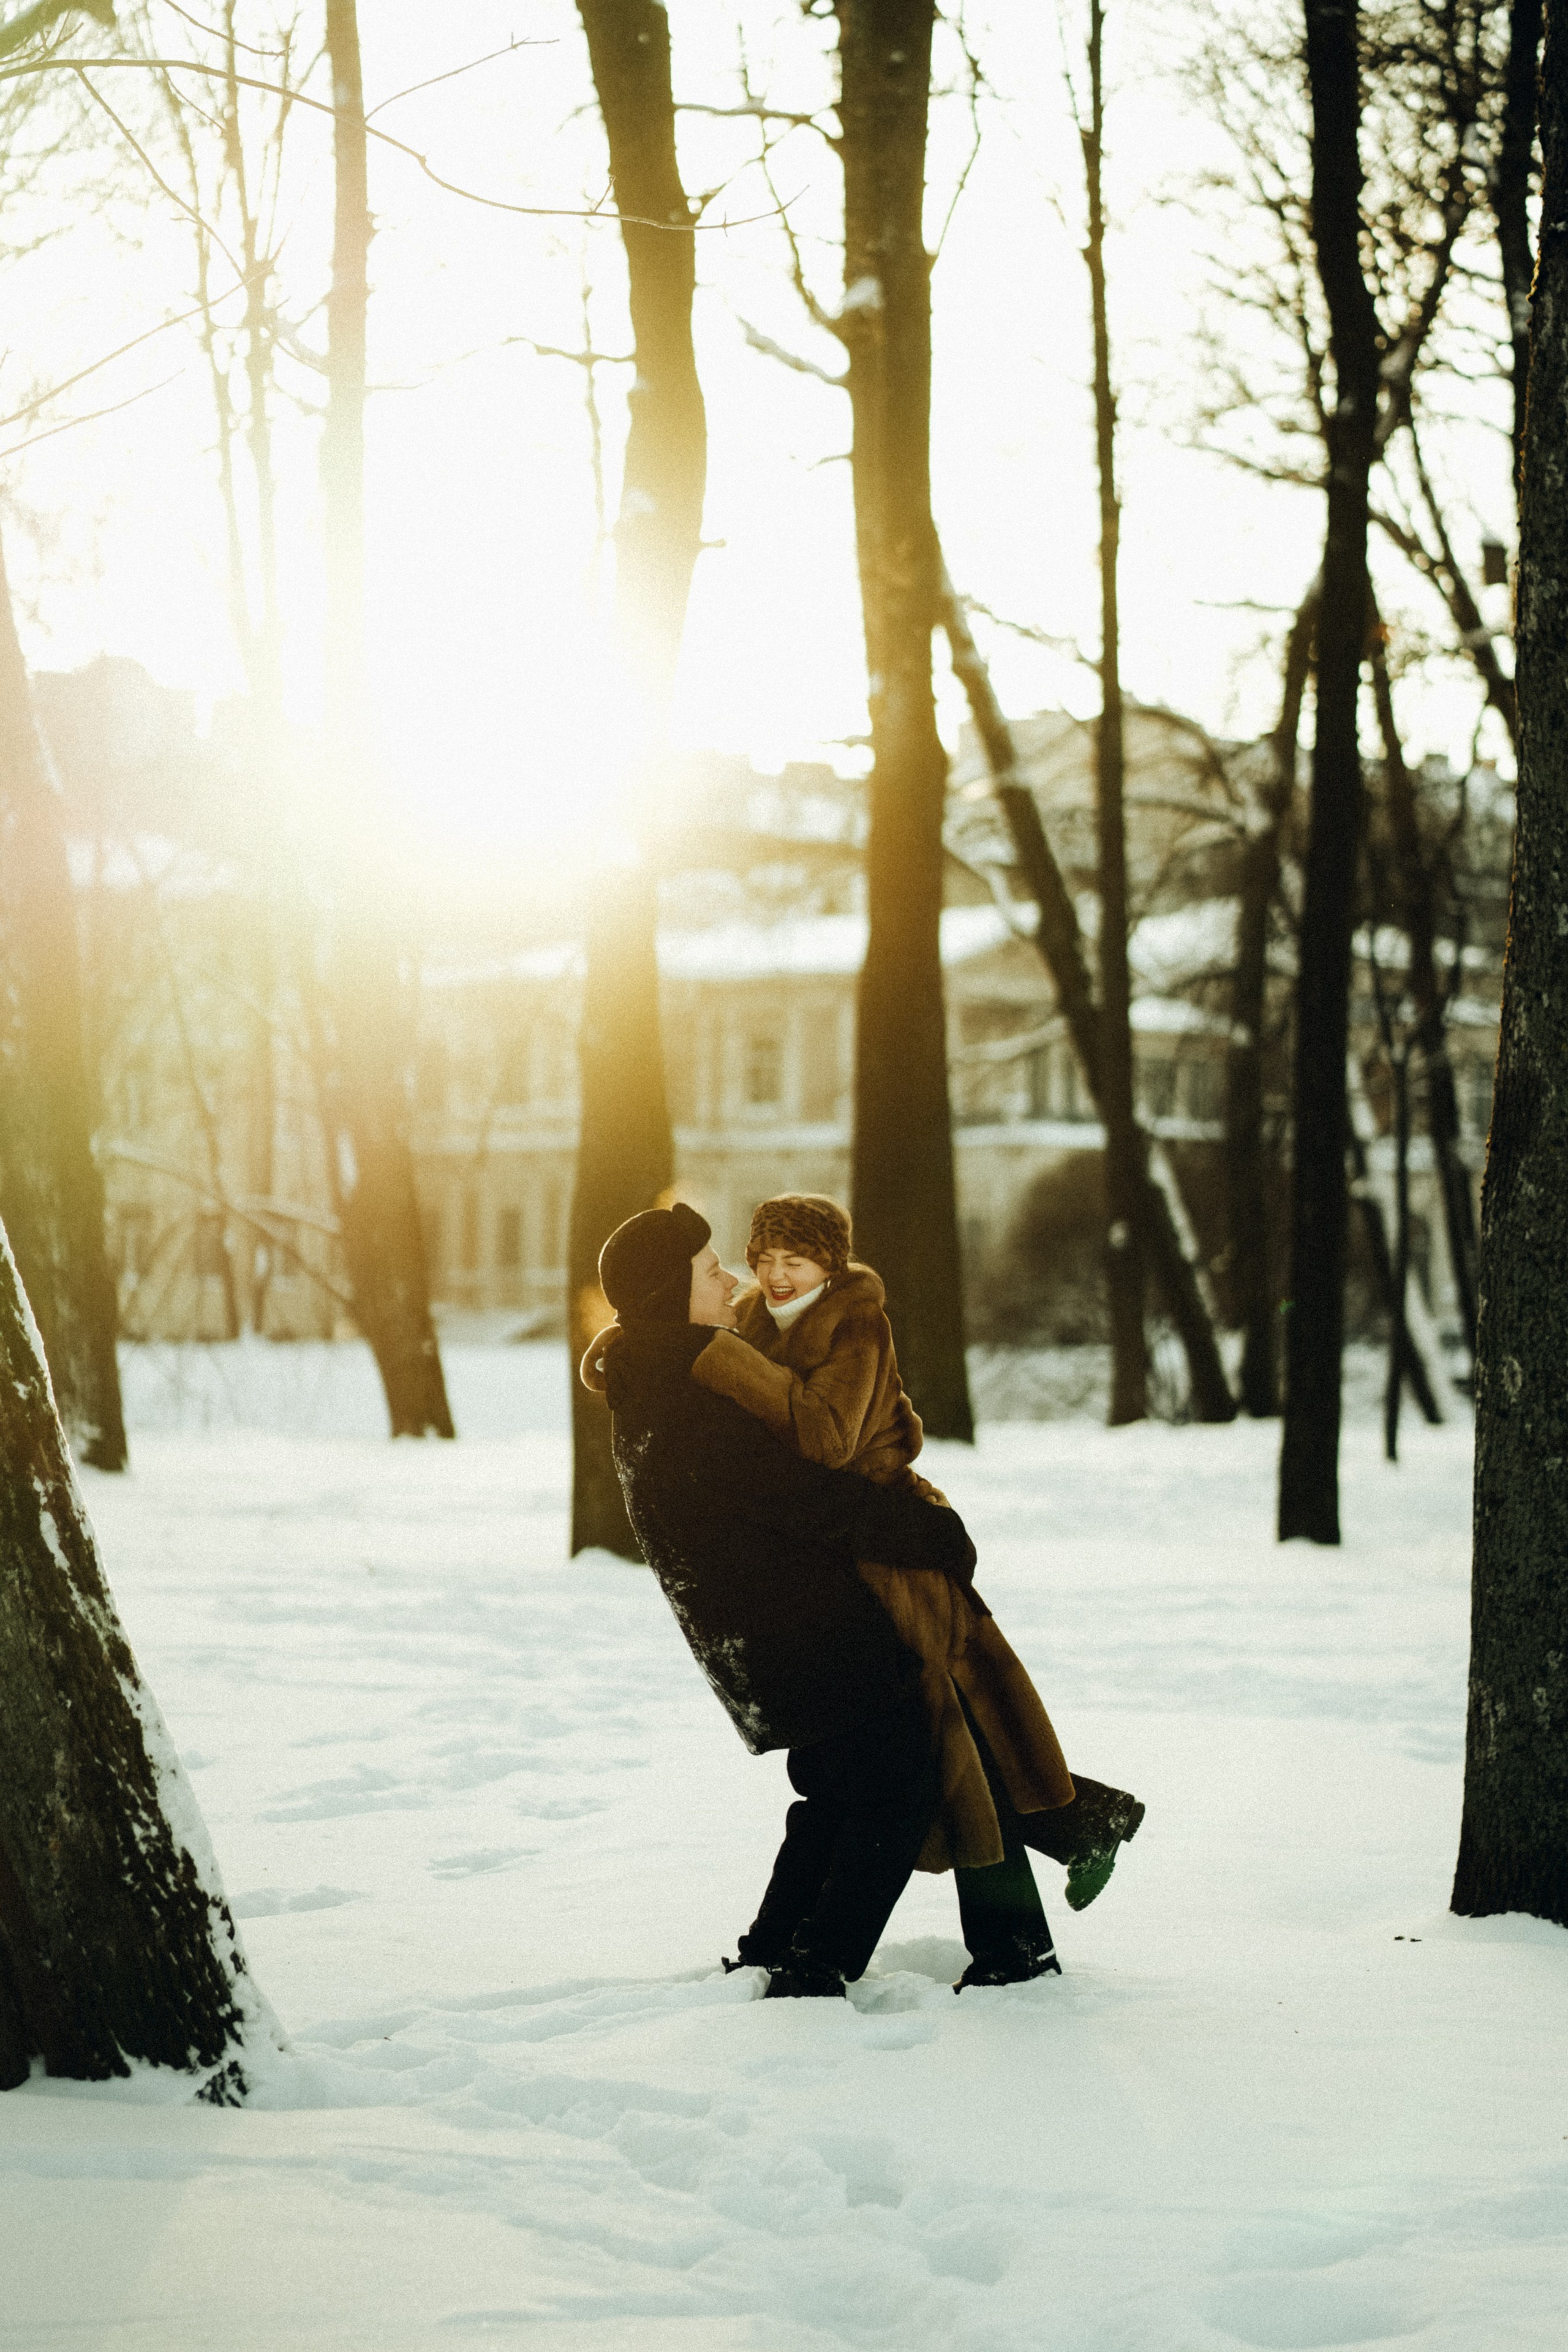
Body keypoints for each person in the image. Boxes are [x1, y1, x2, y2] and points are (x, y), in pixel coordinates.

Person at [680, 1193, 1146, 1986]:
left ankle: (1025, 1930)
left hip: (896, 1561)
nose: (777, 1274)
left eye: (797, 1261)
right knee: (954, 1745)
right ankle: (1072, 1832)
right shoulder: (756, 1321)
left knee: (947, 1748)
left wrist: (724, 1363)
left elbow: (826, 1437)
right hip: (848, 1560)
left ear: (830, 1265)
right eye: (766, 1259)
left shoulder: (855, 1323)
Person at [582, 1200, 981, 2001]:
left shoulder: (654, 1374)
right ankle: (815, 1972)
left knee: (836, 1793)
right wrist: (934, 1533)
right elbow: (807, 1499)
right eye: (709, 1270)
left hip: (764, 1637)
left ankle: (772, 1953)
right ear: (670, 1289)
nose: (733, 1279)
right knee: (897, 1789)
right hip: (807, 1633)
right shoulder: (690, 1390)